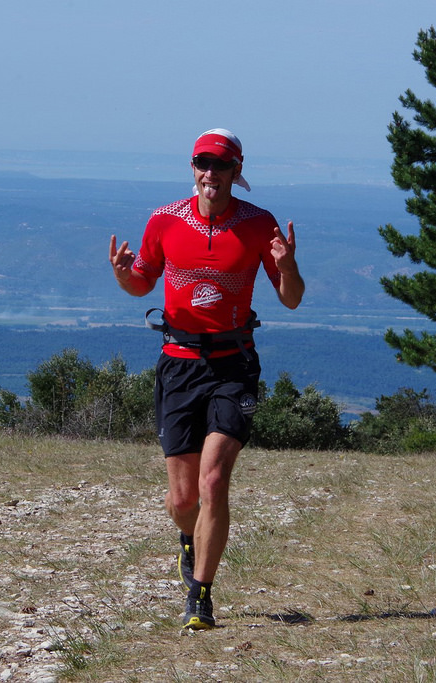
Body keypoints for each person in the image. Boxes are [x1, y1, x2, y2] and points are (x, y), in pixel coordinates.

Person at [109, 128, 305, 630]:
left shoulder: (259, 225)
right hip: (179, 363)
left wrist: (288, 267)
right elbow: (140, 285)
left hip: (234, 363)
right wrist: (123, 274)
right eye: (202, 163)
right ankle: (188, 540)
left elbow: (291, 298)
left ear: (236, 172)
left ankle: (200, 595)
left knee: (214, 480)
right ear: (192, 168)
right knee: (183, 500)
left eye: (220, 165)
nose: (210, 173)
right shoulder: (165, 220)